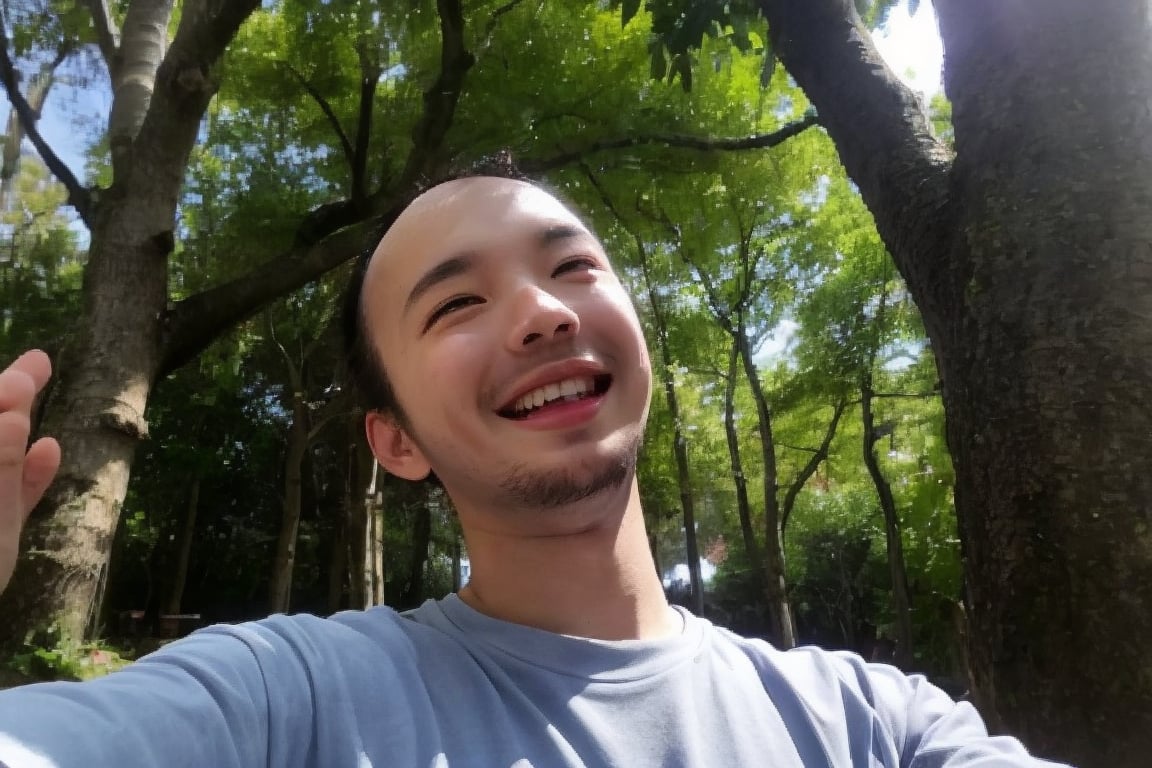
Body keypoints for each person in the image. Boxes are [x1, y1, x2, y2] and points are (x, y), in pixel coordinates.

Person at [0, 172, 1065, 767]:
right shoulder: (292, 702)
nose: (545, 312)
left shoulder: (871, 725)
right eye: (457, 304)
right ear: (397, 442)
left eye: (573, 268)